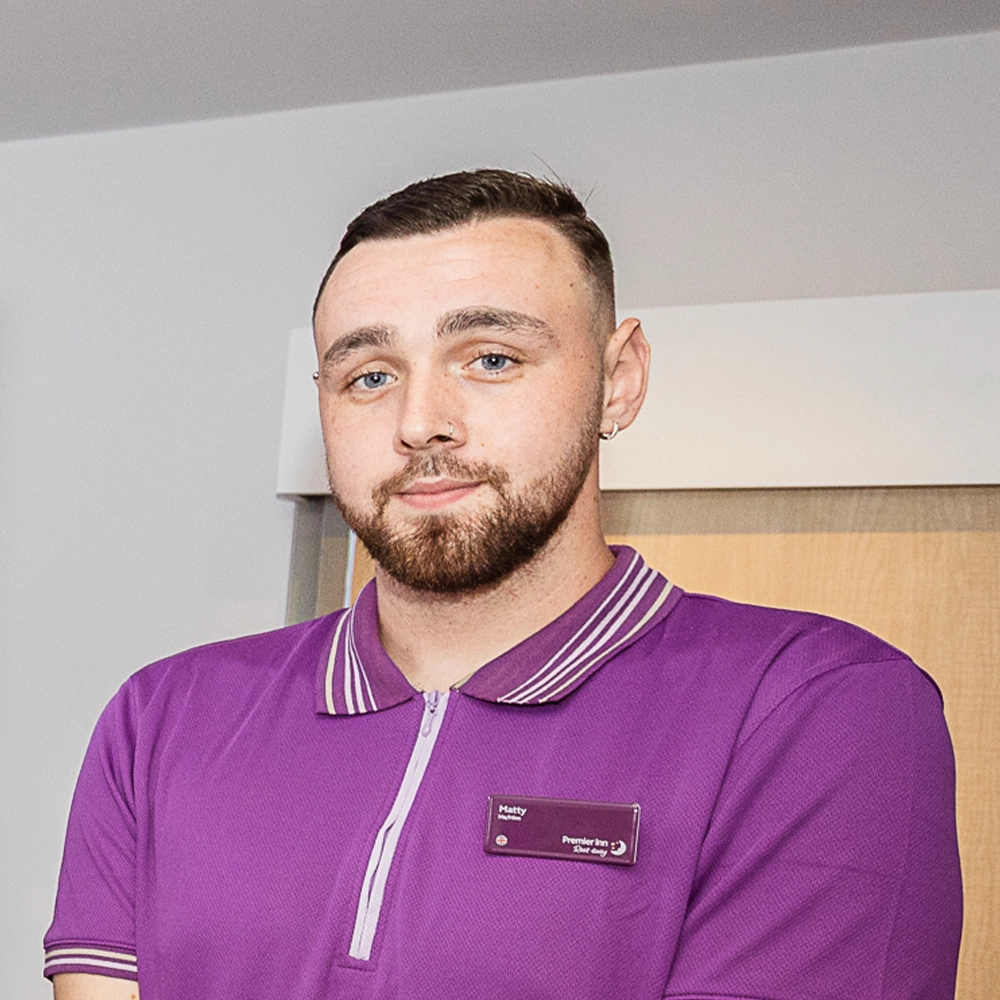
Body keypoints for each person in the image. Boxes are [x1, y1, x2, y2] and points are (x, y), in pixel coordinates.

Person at [45, 170, 962, 999]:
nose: (420, 421)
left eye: (491, 358)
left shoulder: (817, 707)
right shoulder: (163, 719)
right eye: (369, 375)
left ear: (619, 380)